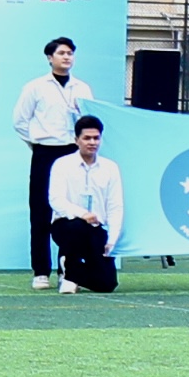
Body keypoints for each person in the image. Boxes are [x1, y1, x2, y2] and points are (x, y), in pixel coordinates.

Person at [12, 37, 103, 293]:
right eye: (61, 53)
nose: (67, 57)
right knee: (40, 211)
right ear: (50, 58)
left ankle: (68, 271)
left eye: (70, 53)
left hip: (72, 150)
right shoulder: (35, 87)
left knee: (71, 212)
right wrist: (37, 144)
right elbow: (19, 121)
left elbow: (89, 121)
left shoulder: (82, 88)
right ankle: (41, 271)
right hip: (45, 151)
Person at [45, 114, 123, 293]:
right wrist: (82, 214)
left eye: (96, 138)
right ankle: (70, 273)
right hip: (66, 226)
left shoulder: (110, 168)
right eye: (87, 138)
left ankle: (70, 270)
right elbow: (56, 199)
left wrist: (112, 240)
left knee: (107, 284)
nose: (92, 142)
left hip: (96, 229)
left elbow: (115, 206)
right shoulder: (62, 164)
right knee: (77, 227)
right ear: (76, 140)